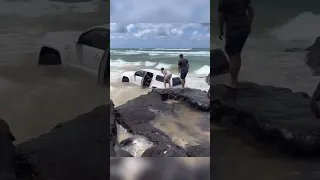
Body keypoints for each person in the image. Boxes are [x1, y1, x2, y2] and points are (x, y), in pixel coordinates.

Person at [218, 0, 254, 88]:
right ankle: (235, 80)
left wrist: (221, 30)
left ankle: (233, 83)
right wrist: (248, 23)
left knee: (232, 55)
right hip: (244, 29)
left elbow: (221, 16)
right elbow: (251, 11)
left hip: (233, 29)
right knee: (237, 53)